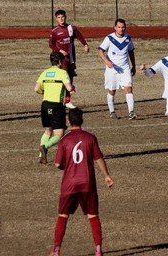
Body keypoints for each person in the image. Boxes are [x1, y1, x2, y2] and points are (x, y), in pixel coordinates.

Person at [50, 107, 114, 256]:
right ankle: (98, 250)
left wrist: (68, 168)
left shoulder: (64, 140)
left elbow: (58, 164)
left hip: (69, 185)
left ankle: (56, 250)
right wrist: (106, 176)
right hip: (87, 183)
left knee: (63, 216)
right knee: (93, 216)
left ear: (68, 121)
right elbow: (98, 158)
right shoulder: (90, 138)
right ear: (82, 120)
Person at [34, 51, 75, 164]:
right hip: (56, 105)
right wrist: (72, 88)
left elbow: (36, 89)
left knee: (48, 131)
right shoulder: (63, 73)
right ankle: (45, 147)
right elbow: (69, 87)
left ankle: (41, 157)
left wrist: (45, 91)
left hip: (45, 104)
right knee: (59, 134)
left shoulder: (44, 73)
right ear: (60, 61)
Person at [49, 9, 89, 109]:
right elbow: (51, 44)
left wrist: (85, 44)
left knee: (69, 79)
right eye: (59, 17)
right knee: (62, 79)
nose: (61, 19)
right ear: (56, 19)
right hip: (60, 59)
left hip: (71, 58)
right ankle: (58, 101)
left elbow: (79, 36)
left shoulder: (71, 28)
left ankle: (67, 101)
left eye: (62, 17)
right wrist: (60, 51)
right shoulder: (54, 31)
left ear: (65, 17)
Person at [98, 18, 137, 120]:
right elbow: (100, 51)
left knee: (128, 88)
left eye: (123, 27)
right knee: (112, 91)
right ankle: (112, 111)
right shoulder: (109, 38)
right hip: (112, 69)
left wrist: (134, 66)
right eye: (119, 27)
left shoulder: (128, 38)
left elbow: (131, 52)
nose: (121, 29)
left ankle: (131, 112)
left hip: (125, 68)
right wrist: (107, 62)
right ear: (115, 28)